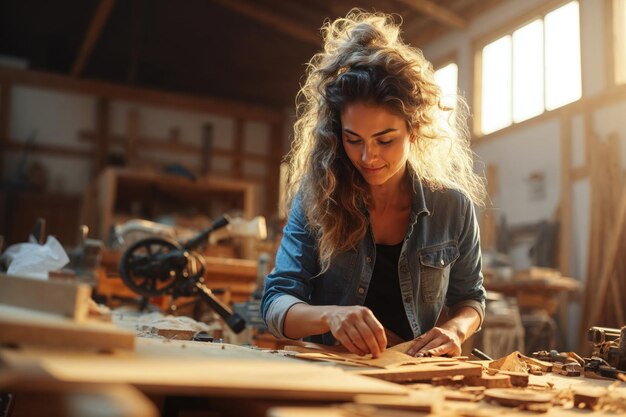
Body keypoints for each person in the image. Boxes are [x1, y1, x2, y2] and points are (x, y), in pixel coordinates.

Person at [261, 10, 487, 359]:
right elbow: (276, 303)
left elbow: (471, 298)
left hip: (410, 377)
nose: (368, 156)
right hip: (329, 374)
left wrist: (455, 329)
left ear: (413, 132)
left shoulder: (452, 207)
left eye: (384, 140)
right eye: (353, 139)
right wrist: (330, 317)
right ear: (337, 136)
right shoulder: (317, 197)